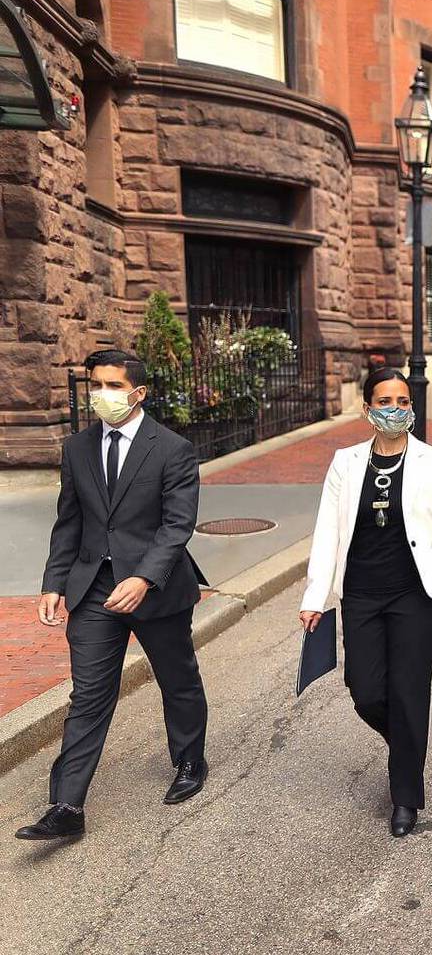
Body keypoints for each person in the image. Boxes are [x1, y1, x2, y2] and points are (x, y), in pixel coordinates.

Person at [18, 350, 209, 841]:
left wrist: (144, 577)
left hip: (155, 588)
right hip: (94, 589)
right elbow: (70, 521)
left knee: (178, 680)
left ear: (138, 393)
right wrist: (53, 582)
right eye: (95, 385)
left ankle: (189, 761)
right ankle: (66, 806)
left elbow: (177, 525)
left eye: (112, 386)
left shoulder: (172, 449)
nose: (101, 395)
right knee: (88, 695)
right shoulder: (76, 448)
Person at [298, 368, 432, 838]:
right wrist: (315, 595)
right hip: (363, 594)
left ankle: (405, 797)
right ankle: (407, 746)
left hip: (417, 594)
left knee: (409, 690)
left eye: (402, 400)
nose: (395, 408)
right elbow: (327, 530)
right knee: (365, 688)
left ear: (411, 407)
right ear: (367, 409)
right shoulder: (346, 462)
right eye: (385, 400)